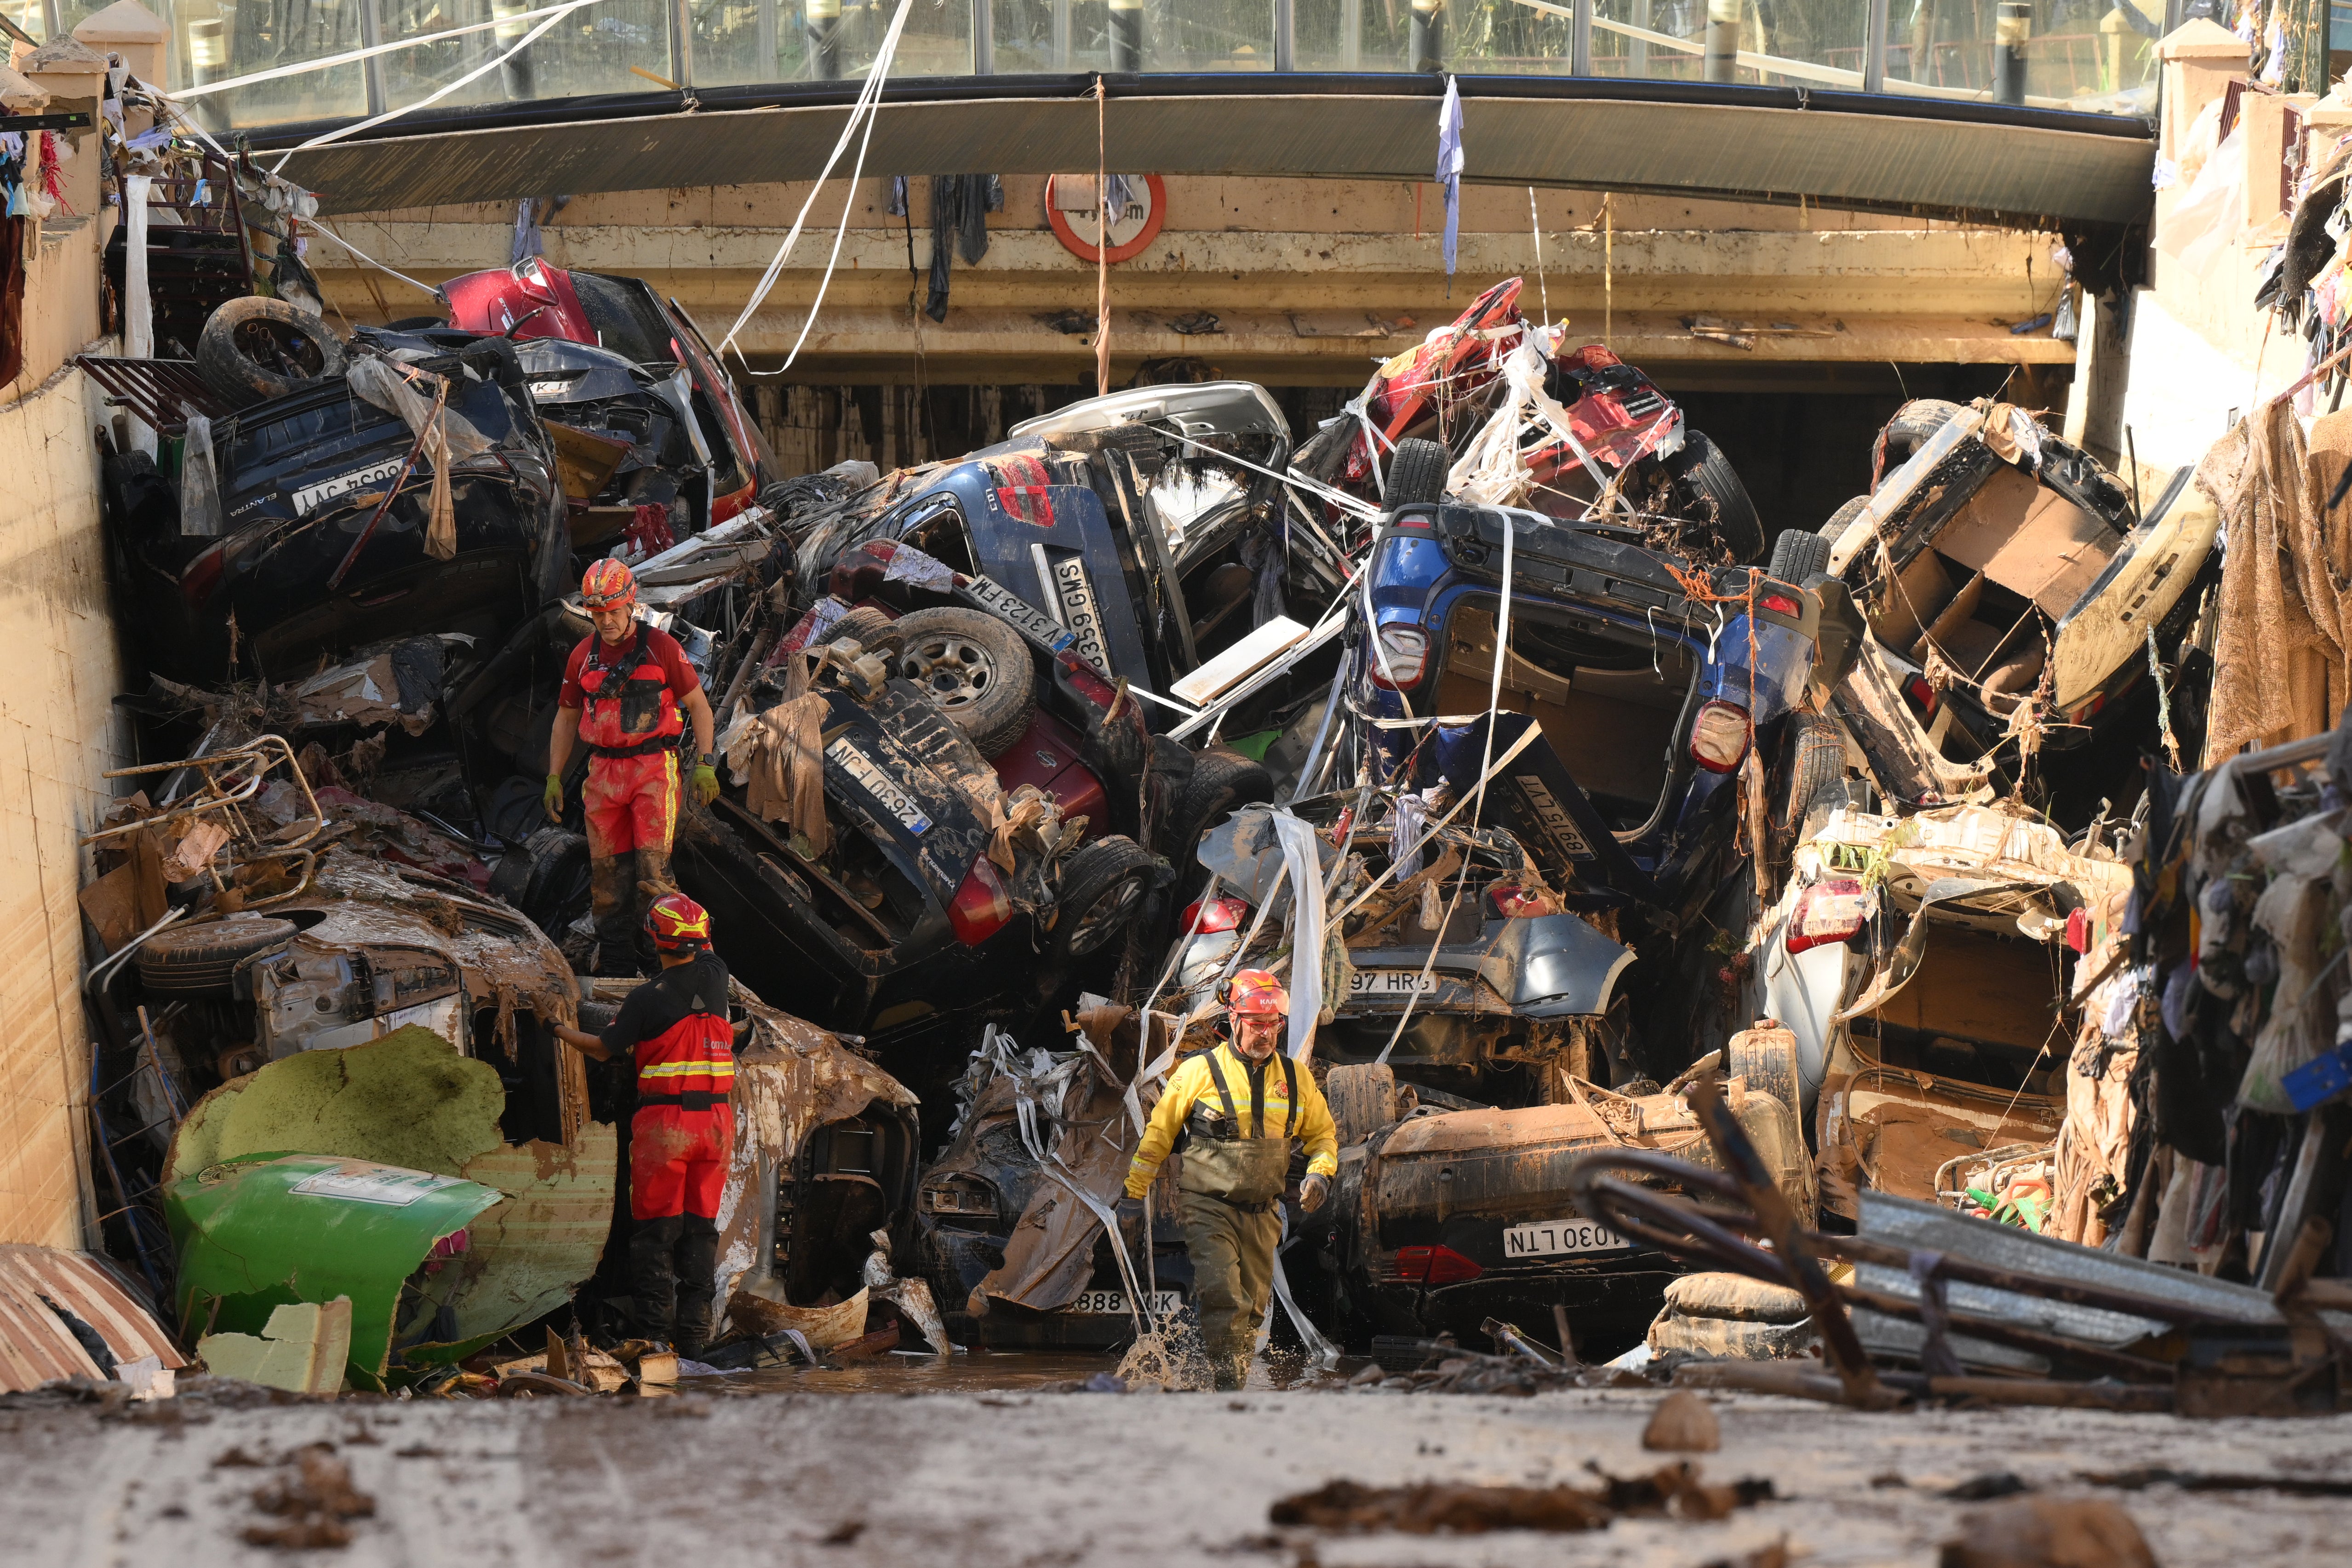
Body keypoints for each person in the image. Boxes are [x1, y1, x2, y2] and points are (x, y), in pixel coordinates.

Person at [1118, 969, 1338, 1390]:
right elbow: (1159, 1135)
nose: (1265, 1034)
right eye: (1256, 1024)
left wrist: (1320, 1174)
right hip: (1208, 1207)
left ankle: (1217, 1383)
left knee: (1253, 1310)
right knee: (1223, 1295)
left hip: (1263, 1213)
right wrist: (1133, 1193)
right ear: (1233, 1020)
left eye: (1274, 1025)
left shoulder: (1296, 1079)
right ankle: (1227, 1391)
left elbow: (1323, 1137)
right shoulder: (1197, 1071)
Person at [549, 892, 745, 1354]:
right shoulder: (717, 977)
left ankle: (656, 1337)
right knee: (701, 1230)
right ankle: (696, 1341)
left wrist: (554, 1028)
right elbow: (705, 941)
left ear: (653, 940)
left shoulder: (644, 1000)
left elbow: (603, 1048)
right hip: (717, 1123)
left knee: (655, 1233)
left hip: (666, 1126)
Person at [546, 558, 723, 974]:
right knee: (607, 877)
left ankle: (663, 964)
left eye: (612, 612)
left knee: (652, 874)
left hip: (653, 769)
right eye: (597, 614)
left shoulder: (662, 647)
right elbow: (566, 717)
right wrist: (554, 776)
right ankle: (617, 965)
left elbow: (699, 706)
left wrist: (706, 764)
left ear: (630, 605)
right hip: (603, 774)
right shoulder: (581, 657)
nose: (605, 621)